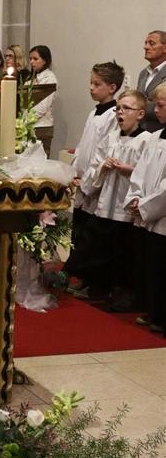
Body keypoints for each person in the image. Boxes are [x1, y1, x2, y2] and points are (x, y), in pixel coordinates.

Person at [78, 90, 150, 309]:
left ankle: (122, 292)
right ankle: (99, 286)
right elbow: (95, 165)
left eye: (126, 108)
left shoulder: (147, 141)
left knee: (124, 251)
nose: (120, 112)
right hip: (106, 203)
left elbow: (150, 174)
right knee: (101, 245)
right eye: (118, 108)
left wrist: (131, 170)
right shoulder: (111, 138)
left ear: (140, 114)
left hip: (126, 209)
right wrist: (103, 166)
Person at [64, 60, 124, 293]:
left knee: (93, 238)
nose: (91, 87)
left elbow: (102, 152)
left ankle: (93, 283)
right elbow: (83, 146)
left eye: (97, 84)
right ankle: (80, 277)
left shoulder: (112, 116)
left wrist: (89, 181)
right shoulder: (94, 112)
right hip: (83, 180)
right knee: (79, 231)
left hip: (96, 184)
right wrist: (74, 172)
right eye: (91, 82)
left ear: (112, 87)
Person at [125, 83, 166, 335]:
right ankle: (154, 310)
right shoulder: (154, 137)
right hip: (148, 213)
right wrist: (136, 198)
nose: (155, 111)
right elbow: (139, 172)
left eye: (160, 106)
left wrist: (146, 206)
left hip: (162, 216)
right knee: (152, 265)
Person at [27, 46, 58, 155]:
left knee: (40, 160)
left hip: (41, 126)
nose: (32, 62)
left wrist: (26, 120)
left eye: (35, 59)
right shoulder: (31, 77)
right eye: (30, 59)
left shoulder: (49, 78)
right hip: (29, 125)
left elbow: (43, 105)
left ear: (45, 60)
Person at [137, 30, 166, 132]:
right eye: (146, 43)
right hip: (141, 132)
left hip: (161, 132)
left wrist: (136, 105)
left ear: (165, 48)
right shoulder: (143, 73)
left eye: (151, 43)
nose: (146, 47)